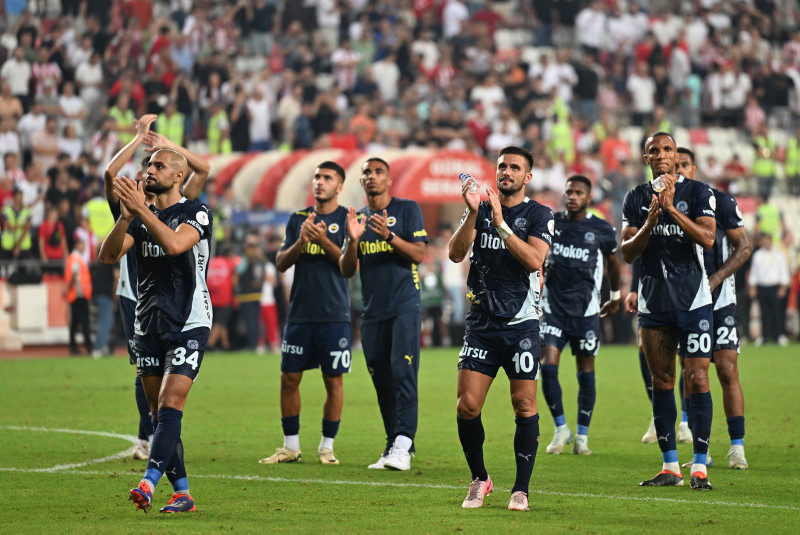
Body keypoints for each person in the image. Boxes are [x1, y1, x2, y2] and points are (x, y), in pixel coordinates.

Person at [99, 147, 212, 513]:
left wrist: (141, 212)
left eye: (158, 165)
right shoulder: (138, 216)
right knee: (156, 413)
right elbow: (107, 256)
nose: (150, 169)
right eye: (149, 164)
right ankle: (183, 494)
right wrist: (124, 218)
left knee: (169, 404)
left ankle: (148, 484)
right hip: (148, 320)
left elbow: (176, 243)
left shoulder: (195, 212)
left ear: (178, 176)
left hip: (189, 320)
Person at [447, 146, 553, 511]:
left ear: (528, 177)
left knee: (524, 404)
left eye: (515, 167)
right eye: (502, 166)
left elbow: (535, 259)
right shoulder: (478, 209)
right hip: (481, 324)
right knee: (467, 406)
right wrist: (474, 214)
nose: (506, 171)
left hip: (521, 324)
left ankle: (520, 488)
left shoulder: (539, 214)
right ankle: (480, 479)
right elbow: (456, 254)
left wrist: (501, 223)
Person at [621, 131, 717, 490]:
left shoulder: (698, 193)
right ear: (646, 159)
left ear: (678, 156)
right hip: (653, 303)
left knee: (698, 379)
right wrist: (650, 220)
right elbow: (628, 252)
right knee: (661, 382)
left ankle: (700, 468)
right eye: (654, 151)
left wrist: (672, 209)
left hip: (693, 300)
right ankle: (670, 466)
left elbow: (708, 239)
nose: (661, 155)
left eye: (667, 149)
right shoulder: (635, 197)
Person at [259, 161, 351, 466]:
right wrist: (302, 239)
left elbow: (348, 266)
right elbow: (282, 262)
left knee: (333, 381)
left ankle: (327, 447)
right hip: (300, 314)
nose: (319, 182)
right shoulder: (298, 219)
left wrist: (322, 240)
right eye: (316, 177)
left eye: (327, 178)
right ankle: (290, 446)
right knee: (289, 379)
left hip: (334, 314)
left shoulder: (348, 218)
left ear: (339, 186)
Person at [340, 157, 428, 471]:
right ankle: (395, 443)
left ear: (389, 180)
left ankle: (403, 443)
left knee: (403, 373)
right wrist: (352, 240)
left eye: (379, 172)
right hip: (373, 311)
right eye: (367, 172)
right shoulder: (358, 219)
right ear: (361, 182)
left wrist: (390, 237)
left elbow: (419, 253)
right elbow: (347, 269)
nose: (372, 176)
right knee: (382, 379)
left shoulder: (407, 210)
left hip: (404, 304)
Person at [675, 147, 753, 470]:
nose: (678, 169)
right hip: (685, 301)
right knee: (693, 373)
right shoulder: (664, 202)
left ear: (694, 167)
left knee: (726, 369)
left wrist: (716, 279)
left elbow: (744, 246)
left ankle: (737, 446)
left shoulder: (719, 201)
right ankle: (700, 446)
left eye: (683, 164)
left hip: (720, 301)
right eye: (673, 164)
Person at [540, 174, 621, 456]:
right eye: (568, 192)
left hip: (586, 313)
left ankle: (582, 436)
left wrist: (615, 296)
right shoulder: (550, 223)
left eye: (578, 193)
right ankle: (561, 428)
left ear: (588, 198)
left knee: (585, 372)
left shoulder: (601, 228)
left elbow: (613, 264)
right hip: (552, 310)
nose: (572, 196)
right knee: (547, 367)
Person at [64, 236, 93, 355]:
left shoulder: (75, 258)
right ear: (77, 245)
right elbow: (74, 274)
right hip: (79, 294)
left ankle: (73, 347)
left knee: (75, 323)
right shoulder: (76, 258)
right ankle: (89, 347)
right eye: (82, 244)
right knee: (84, 322)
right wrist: (69, 288)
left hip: (76, 294)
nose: (84, 247)